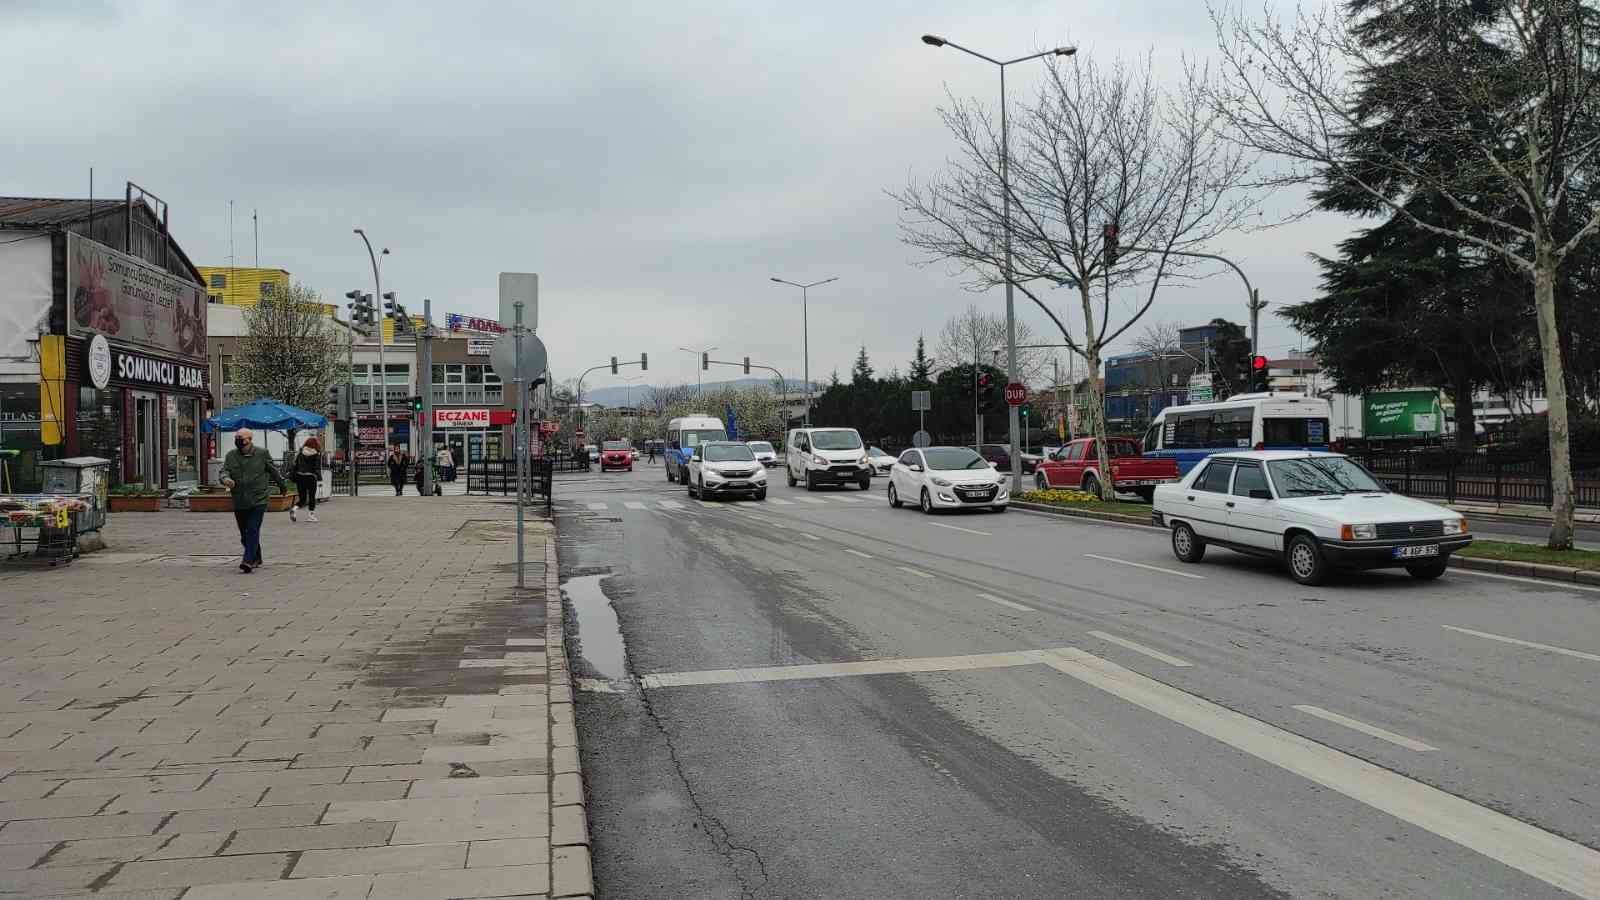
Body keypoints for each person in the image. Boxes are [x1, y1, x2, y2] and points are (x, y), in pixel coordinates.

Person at [221, 428, 285, 574]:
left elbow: (273, 470)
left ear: (250, 439)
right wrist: (225, 479)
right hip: (239, 499)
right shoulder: (231, 455)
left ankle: (248, 560)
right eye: (236, 437)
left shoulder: (262, 454)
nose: (238, 440)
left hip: (258, 499)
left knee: (252, 529)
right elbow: (224, 471)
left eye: (241, 437)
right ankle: (256, 556)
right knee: (244, 533)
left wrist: (282, 486)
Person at [289, 436, 322, 523]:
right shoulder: (316, 455)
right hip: (311, 477)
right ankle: (311, 516)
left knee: (302, 499)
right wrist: (319, 478)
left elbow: (295, 466)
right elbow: (317, 468)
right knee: (311, 497)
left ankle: (294, 509)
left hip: (300, 477)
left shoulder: (300, 453)